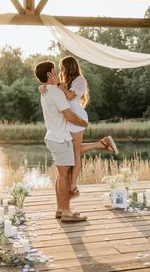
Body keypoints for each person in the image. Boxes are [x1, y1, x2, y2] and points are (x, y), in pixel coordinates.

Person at [47, 56, 118, 199]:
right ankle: (102, 143)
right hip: (68, 119)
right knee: (74, 150)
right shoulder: (66, 81)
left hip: (76, 118)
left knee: (75, 153)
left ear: (69, 67)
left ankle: (73, 185)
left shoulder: (80, 80)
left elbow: (68, 97)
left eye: (62, 68)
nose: (61, 71)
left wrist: (58, 84)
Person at [34, 60, 88, 222]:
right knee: (64, 176)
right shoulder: (56, 92)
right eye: (55, 70)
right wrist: (83, 123)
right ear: (50, 74)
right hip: (60, 138)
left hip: (53, 136)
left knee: (61, 175)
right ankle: (66, 211)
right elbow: (69, 115)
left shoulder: (45, 91)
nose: (58, 72)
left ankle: (60, 209)